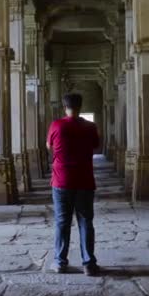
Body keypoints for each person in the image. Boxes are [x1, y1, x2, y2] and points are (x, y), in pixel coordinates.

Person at [46, 93, 100, 276]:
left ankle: (60, 262)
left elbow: (48, 145)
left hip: (61, 181)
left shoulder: (56, 125)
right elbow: (95, 145)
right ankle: (89, 264)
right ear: (80, 106)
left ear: (64, 106)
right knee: (86, 222)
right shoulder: (90, 127)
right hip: (84, 180)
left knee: (62, 222)